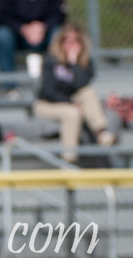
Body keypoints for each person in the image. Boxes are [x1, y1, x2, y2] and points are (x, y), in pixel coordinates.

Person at [33, 23, 117, 162]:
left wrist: (74, 63)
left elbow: (81, 85)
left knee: (88, 92)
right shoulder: (51, 61)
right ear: (60, 41)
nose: (70, 44)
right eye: (66, 39)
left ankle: (101, 132)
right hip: (47, 104)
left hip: (72, 102)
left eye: (75, 40)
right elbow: (47, 91)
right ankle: (69, 159)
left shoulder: (85, 63)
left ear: (81, 43)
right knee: (72, 113)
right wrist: (71, 103)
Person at [0, 0, 66, 75]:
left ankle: (56, 80)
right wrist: (23, 29)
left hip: (44, 34)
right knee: (2, 35)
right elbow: (2, 15)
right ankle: (9, 86)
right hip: (18, 35)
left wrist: (43, 27)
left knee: (59, 33)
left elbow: (59, 13)